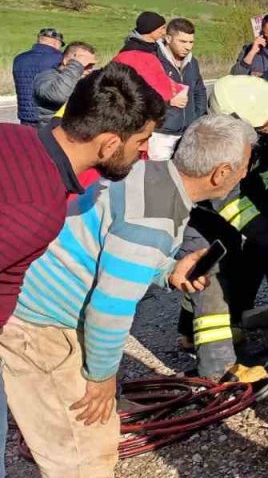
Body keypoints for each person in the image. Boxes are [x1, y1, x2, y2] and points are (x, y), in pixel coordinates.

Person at [0, 114, 256, 476]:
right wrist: (102, 379)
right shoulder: (154, 220)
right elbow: (109, 308)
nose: (246, 174)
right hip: (40, 326)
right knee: (81, 451)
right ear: (221, 173)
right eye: (244, 166)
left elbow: (115, 248)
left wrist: (168, 271)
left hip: (40, 304)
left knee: (91, 436)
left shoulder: (149, 175)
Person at [0, 62, 166, 477]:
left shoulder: (13, 137)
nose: (143, 152)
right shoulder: (38, 207)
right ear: (109, 145)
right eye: (141, 141)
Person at [177, 75, 268, 380]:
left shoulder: (253, 143)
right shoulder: (215, 149)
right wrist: (266, 232)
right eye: (262, 121)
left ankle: (234, 323)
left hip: (225, 223)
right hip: (200, 223)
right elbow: (226, 199)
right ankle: (218, 369)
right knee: (209, 284)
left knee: (252, 255)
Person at [151, 18, 209, 160]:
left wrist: (197, 117)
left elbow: (199, 90)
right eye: (183, 42)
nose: (188, 47)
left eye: (191, 42)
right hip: (160, 134)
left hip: (187, 134)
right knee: (160, 177)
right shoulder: (154, 61)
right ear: (168, 38)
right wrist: (167, 101)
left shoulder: (192, 62)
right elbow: (143, 94)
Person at [33, 41, 97, 125]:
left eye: (91, 65)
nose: (90, 69)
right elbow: (58, 95)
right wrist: (77, 65)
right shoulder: (46, 77)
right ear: (66, 61)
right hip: (51, 132)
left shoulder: (85, 80)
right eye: (85, 65)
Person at [11, 28, 65, 126]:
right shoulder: (61, 59)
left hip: (26, 116)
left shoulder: (19, 59)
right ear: (57, 43)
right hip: (50, 117)